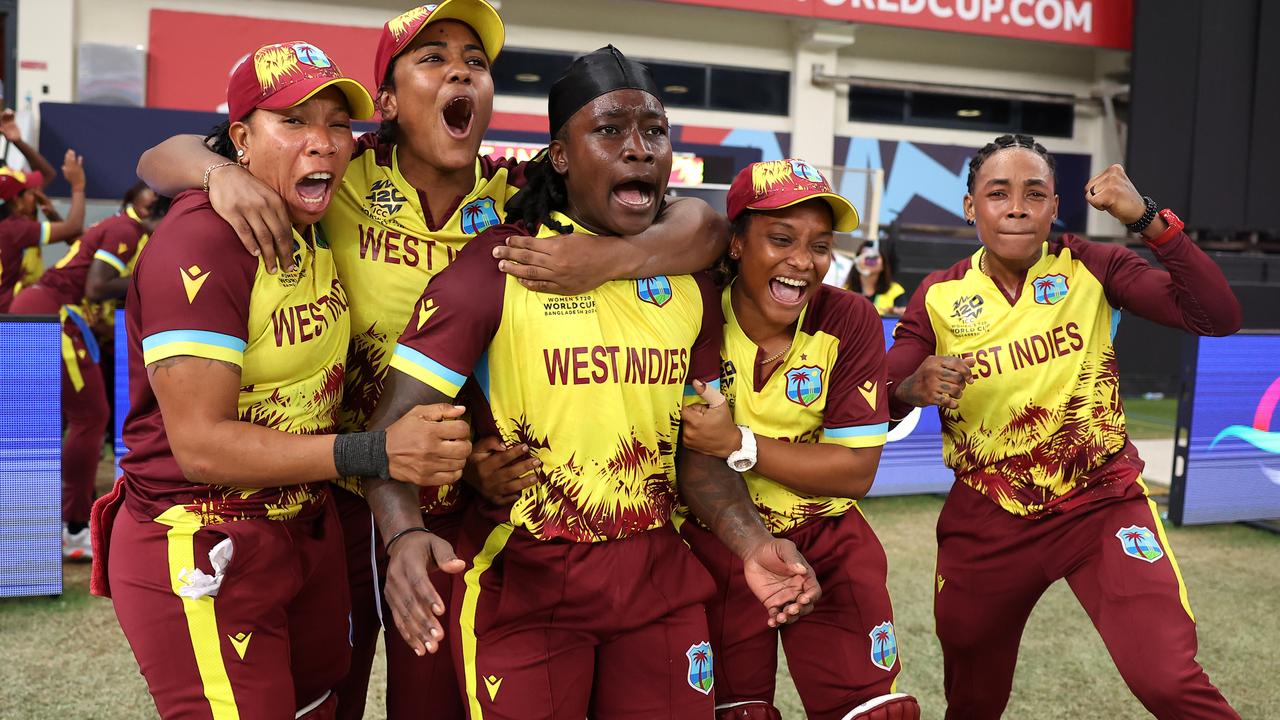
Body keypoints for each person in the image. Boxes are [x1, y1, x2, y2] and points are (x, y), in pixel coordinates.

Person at [137, 5, 728, 718]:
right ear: (385, 103)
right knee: (332, 696)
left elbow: (703, 224)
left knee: (436, 699)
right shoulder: (338, 179)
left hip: (469, 504)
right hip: (341, 495)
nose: (459, 71)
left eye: (476, 64)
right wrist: (215, 172)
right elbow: (156, 157)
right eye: (432, 58)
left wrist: (611, 256)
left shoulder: (515, 193)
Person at [361, 47, 819, 720]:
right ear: (562, 155)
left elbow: (697, 452)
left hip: (658, 582)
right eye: (609, 131)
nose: (639, 150)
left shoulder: (689, 282)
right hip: (527, 584)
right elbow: (390, 431)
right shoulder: (497, 266)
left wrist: (753, 544)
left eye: (655, 133)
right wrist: (401, 534)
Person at [90, 41, 465, 719]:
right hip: (205, 534)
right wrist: (376, 451)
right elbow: (200, 447)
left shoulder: (323, 209)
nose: (322, 142)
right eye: (293, 121)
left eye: (336, 124)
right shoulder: (203, 240)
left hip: (305, 530)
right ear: (241, 138)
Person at [886, 133, 1242, 719]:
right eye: (998, 193)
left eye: (1035, 193)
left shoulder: (1092, 266)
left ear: (1055, 206)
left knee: (1169, 682)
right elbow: (877, 396)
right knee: (973, 700)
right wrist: (910, 388)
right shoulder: (940, 295)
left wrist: (1150, 220)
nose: (1017, 207)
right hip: (988, 518)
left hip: (1101, 502)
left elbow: (1217, 315)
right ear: (971, 206)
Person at [677, 159, 919, 720]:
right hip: (719, 539)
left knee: (878, 713)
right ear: (736, 245)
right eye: (781, 239)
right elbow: (692, 456)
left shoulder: (849, 317)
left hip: (829, 533)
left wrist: (740, 442)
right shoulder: (692, 310)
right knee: (735, 713)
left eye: (819, 246)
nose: (801, 262)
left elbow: (855, 471)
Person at [10, 182, 165, 560]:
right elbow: (96, 287)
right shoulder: (127, 230)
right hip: (52, 316)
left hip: (47, 315)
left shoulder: (126, 232)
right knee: (90, 418)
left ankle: (50, 523)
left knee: (52, 425)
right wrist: (160, 278)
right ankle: (74, 526)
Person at [0, 109, 86, 312]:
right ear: (15, 201)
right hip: (12, 314)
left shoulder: (11, 224)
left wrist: (17, 140)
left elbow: (46, 174)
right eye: (29, 192)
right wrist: (78, 186)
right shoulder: (15, 229)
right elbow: (73, 228)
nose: (36, 194)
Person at [848, 241, 905, 317]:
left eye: (874, 257)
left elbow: (906, 314)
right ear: (857, 261)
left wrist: (894, 311)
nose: (870, 261)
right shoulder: (845, 291)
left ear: (883, 264)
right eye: (866, 256)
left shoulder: (895, 290)